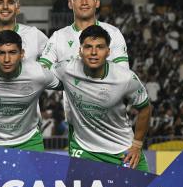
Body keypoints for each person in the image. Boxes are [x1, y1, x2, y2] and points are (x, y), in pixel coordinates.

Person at [52, 25, 151, 171]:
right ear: (80, 51)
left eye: (99, 47)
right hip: (85, 150)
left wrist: (137, 145)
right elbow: (36, 76)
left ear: (108, 51)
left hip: (122, 150)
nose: (93, 52)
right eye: (88, 47)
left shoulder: (126, 78)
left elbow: (145, 108)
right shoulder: (66, 69)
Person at [0, 30, 59, 151]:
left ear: (22, 54)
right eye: (1, 53)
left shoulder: (38, 73)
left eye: (12, 52)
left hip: (28, 141)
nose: (7, 59)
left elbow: (67, 83)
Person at [39, 0, 129, 69]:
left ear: (97, 2)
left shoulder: (114, 33)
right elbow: (42, 72)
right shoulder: (58, 37)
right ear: (70, 4)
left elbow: (124, 74)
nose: (84, 2)